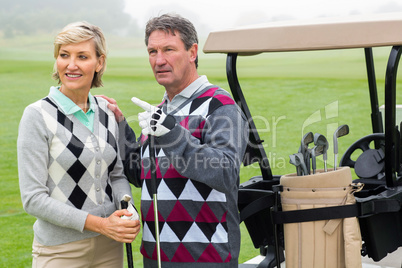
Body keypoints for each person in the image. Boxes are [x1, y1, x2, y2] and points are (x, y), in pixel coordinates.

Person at [106, 13, 248, 267]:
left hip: (206, 258)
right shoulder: (161, 110)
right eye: (152, 52)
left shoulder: (219, 105)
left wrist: (171, 134)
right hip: (157, 257)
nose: (159, 60)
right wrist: (119, 125)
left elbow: (225, 173)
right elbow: (141, 174)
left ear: (192, 52)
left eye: (168, 50)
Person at [17, 21, 140, 267]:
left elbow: (115, 176)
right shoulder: (37, 115)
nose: (71, 65)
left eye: (82, 56)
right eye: (64, 55)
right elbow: (33, 198)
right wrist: (103, 224)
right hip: (59, 251)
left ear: (99, 62)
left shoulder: (107, 111)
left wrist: (128, 207)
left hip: (109, 246)